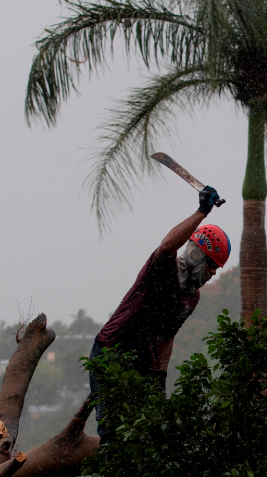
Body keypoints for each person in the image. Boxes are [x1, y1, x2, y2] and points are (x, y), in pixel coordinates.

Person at [89, 186, 230, 442]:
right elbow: (166, 245)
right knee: (113, 433)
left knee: (153, 433)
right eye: (211, 264)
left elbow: (167, 336)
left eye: (217, 269)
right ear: (198, 254)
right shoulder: (162, 267)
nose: (213, 273)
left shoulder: (191, 297)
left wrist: (160, 377)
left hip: (143, 363)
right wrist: (202, 211)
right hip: (111, 351)